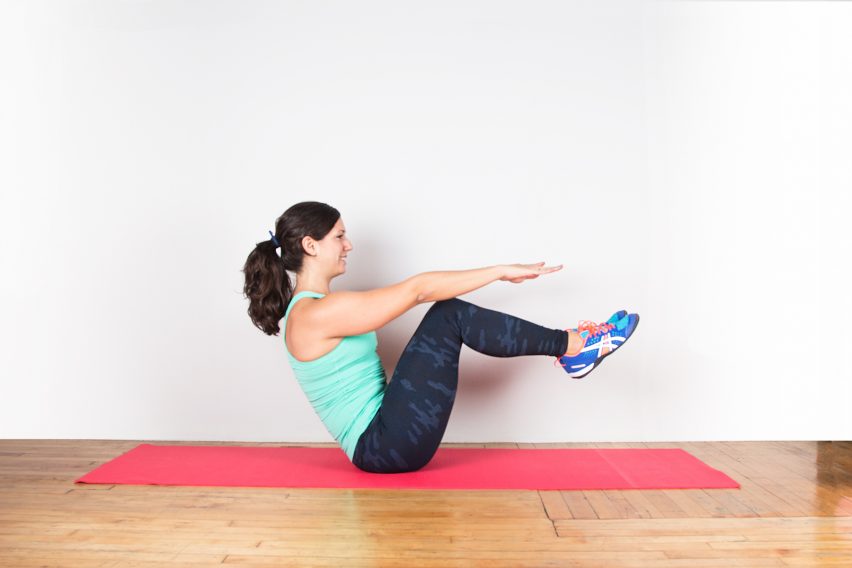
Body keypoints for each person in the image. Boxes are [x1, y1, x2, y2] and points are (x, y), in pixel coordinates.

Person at [242, 201, 639, 474]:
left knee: (447, 313)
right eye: (339, 236)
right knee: (448, 314)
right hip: (383, 447)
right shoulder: (315, 313)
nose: (349, 245)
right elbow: (419, 290)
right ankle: (574, 347)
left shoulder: (313, 309)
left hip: (386, 437)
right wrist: (500, 270)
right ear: (310, 245)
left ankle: (573, 347)